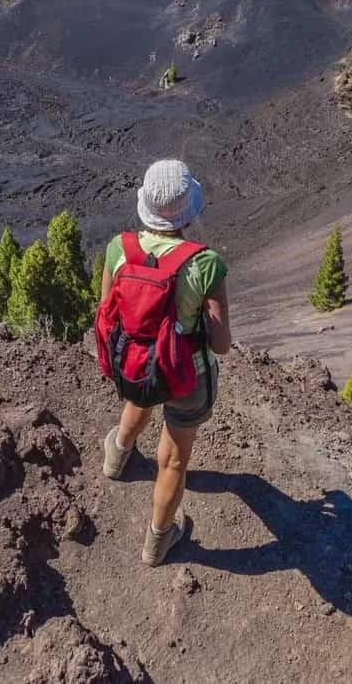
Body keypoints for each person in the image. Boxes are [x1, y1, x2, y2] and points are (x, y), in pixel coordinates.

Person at [100, 159, 231, 566]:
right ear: (188, 208)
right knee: (173, 459)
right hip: (185, 375)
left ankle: (117, 459)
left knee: (141, 394)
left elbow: (107, 310)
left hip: (135, 363)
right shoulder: (206, 263)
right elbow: (222, 344)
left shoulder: (119, 248)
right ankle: (158, 542)